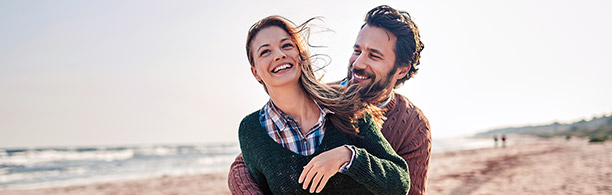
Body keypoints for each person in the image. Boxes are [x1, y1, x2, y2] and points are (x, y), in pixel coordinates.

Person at [230, 5, 431, 195]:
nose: (358, 63)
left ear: (401, 70)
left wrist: (348, 156)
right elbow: (249, 161)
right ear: (255, 72)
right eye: (357, 50)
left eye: (374, 56)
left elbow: (404, 186)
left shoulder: (412, 127)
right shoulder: (331, 97)